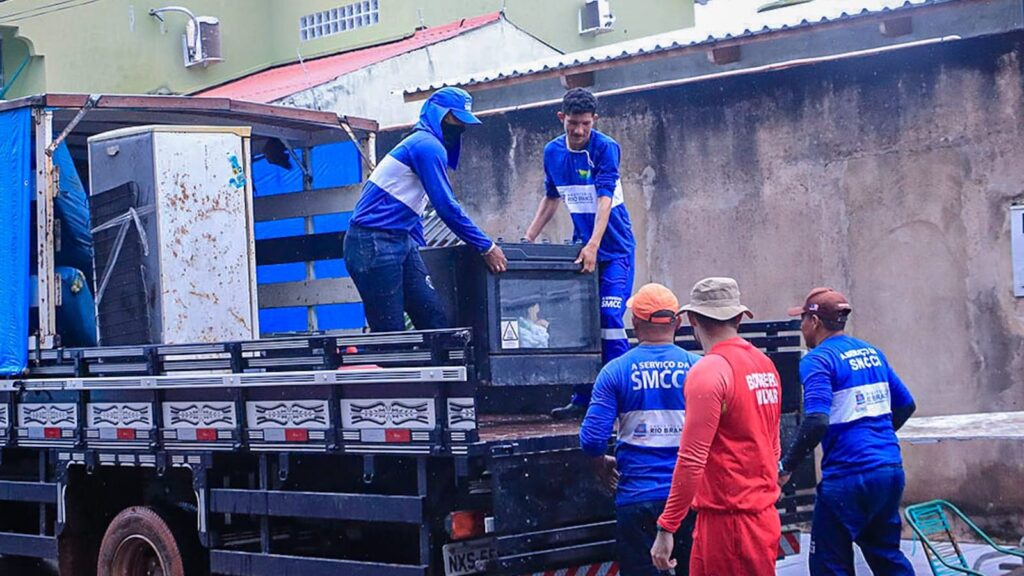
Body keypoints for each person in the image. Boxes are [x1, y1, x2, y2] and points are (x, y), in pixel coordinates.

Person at [344, 87, 507, 332]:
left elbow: (413, 208)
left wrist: (419, 251)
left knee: (434, 322)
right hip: (372, 241)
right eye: (455, 119)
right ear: (439, 115)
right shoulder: (426, 145)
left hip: (400, 239)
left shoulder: (424, 145)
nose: (460, 127)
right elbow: (446, 207)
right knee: (390, 334)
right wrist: (486, 246)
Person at [779, 287, 916, 575]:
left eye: (802, 319)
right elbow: (906, 405)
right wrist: (877, 439)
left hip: (849, 476)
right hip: (889, 471)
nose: (801, 326)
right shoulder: (872, 353)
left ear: (814, 322)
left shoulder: (818, 360)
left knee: (829, 565)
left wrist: (786, 466)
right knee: (887, 557)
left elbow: (816, 420)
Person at [651, 277, 782, 576]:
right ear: (738, 318)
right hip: (757, 515)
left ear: (693, 320)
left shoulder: (709, 371)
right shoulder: (764, 364)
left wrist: (667, 526)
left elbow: (691, 459)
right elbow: (773, 445)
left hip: (729, 523)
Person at [524, 88, 637, 420]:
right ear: (562, 118)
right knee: (575, 322)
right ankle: (583, 397)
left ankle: (623, 399)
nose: (579, 130)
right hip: (581, 249)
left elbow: (605, 199)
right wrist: (528, 238)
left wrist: (594, 245)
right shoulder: (552, 152)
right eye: (573, 123)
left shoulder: (605, 148)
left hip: (614, 250)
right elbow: (551, 197)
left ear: (594, 120)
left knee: (610, 318)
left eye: (585, 124)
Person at [579, 283, 700, 576]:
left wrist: (601, 465)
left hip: (637, 500)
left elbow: (593, 439)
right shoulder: (698, 368)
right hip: (690, 500)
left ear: (634, 323)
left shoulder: (616, 371)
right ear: (677, 323)